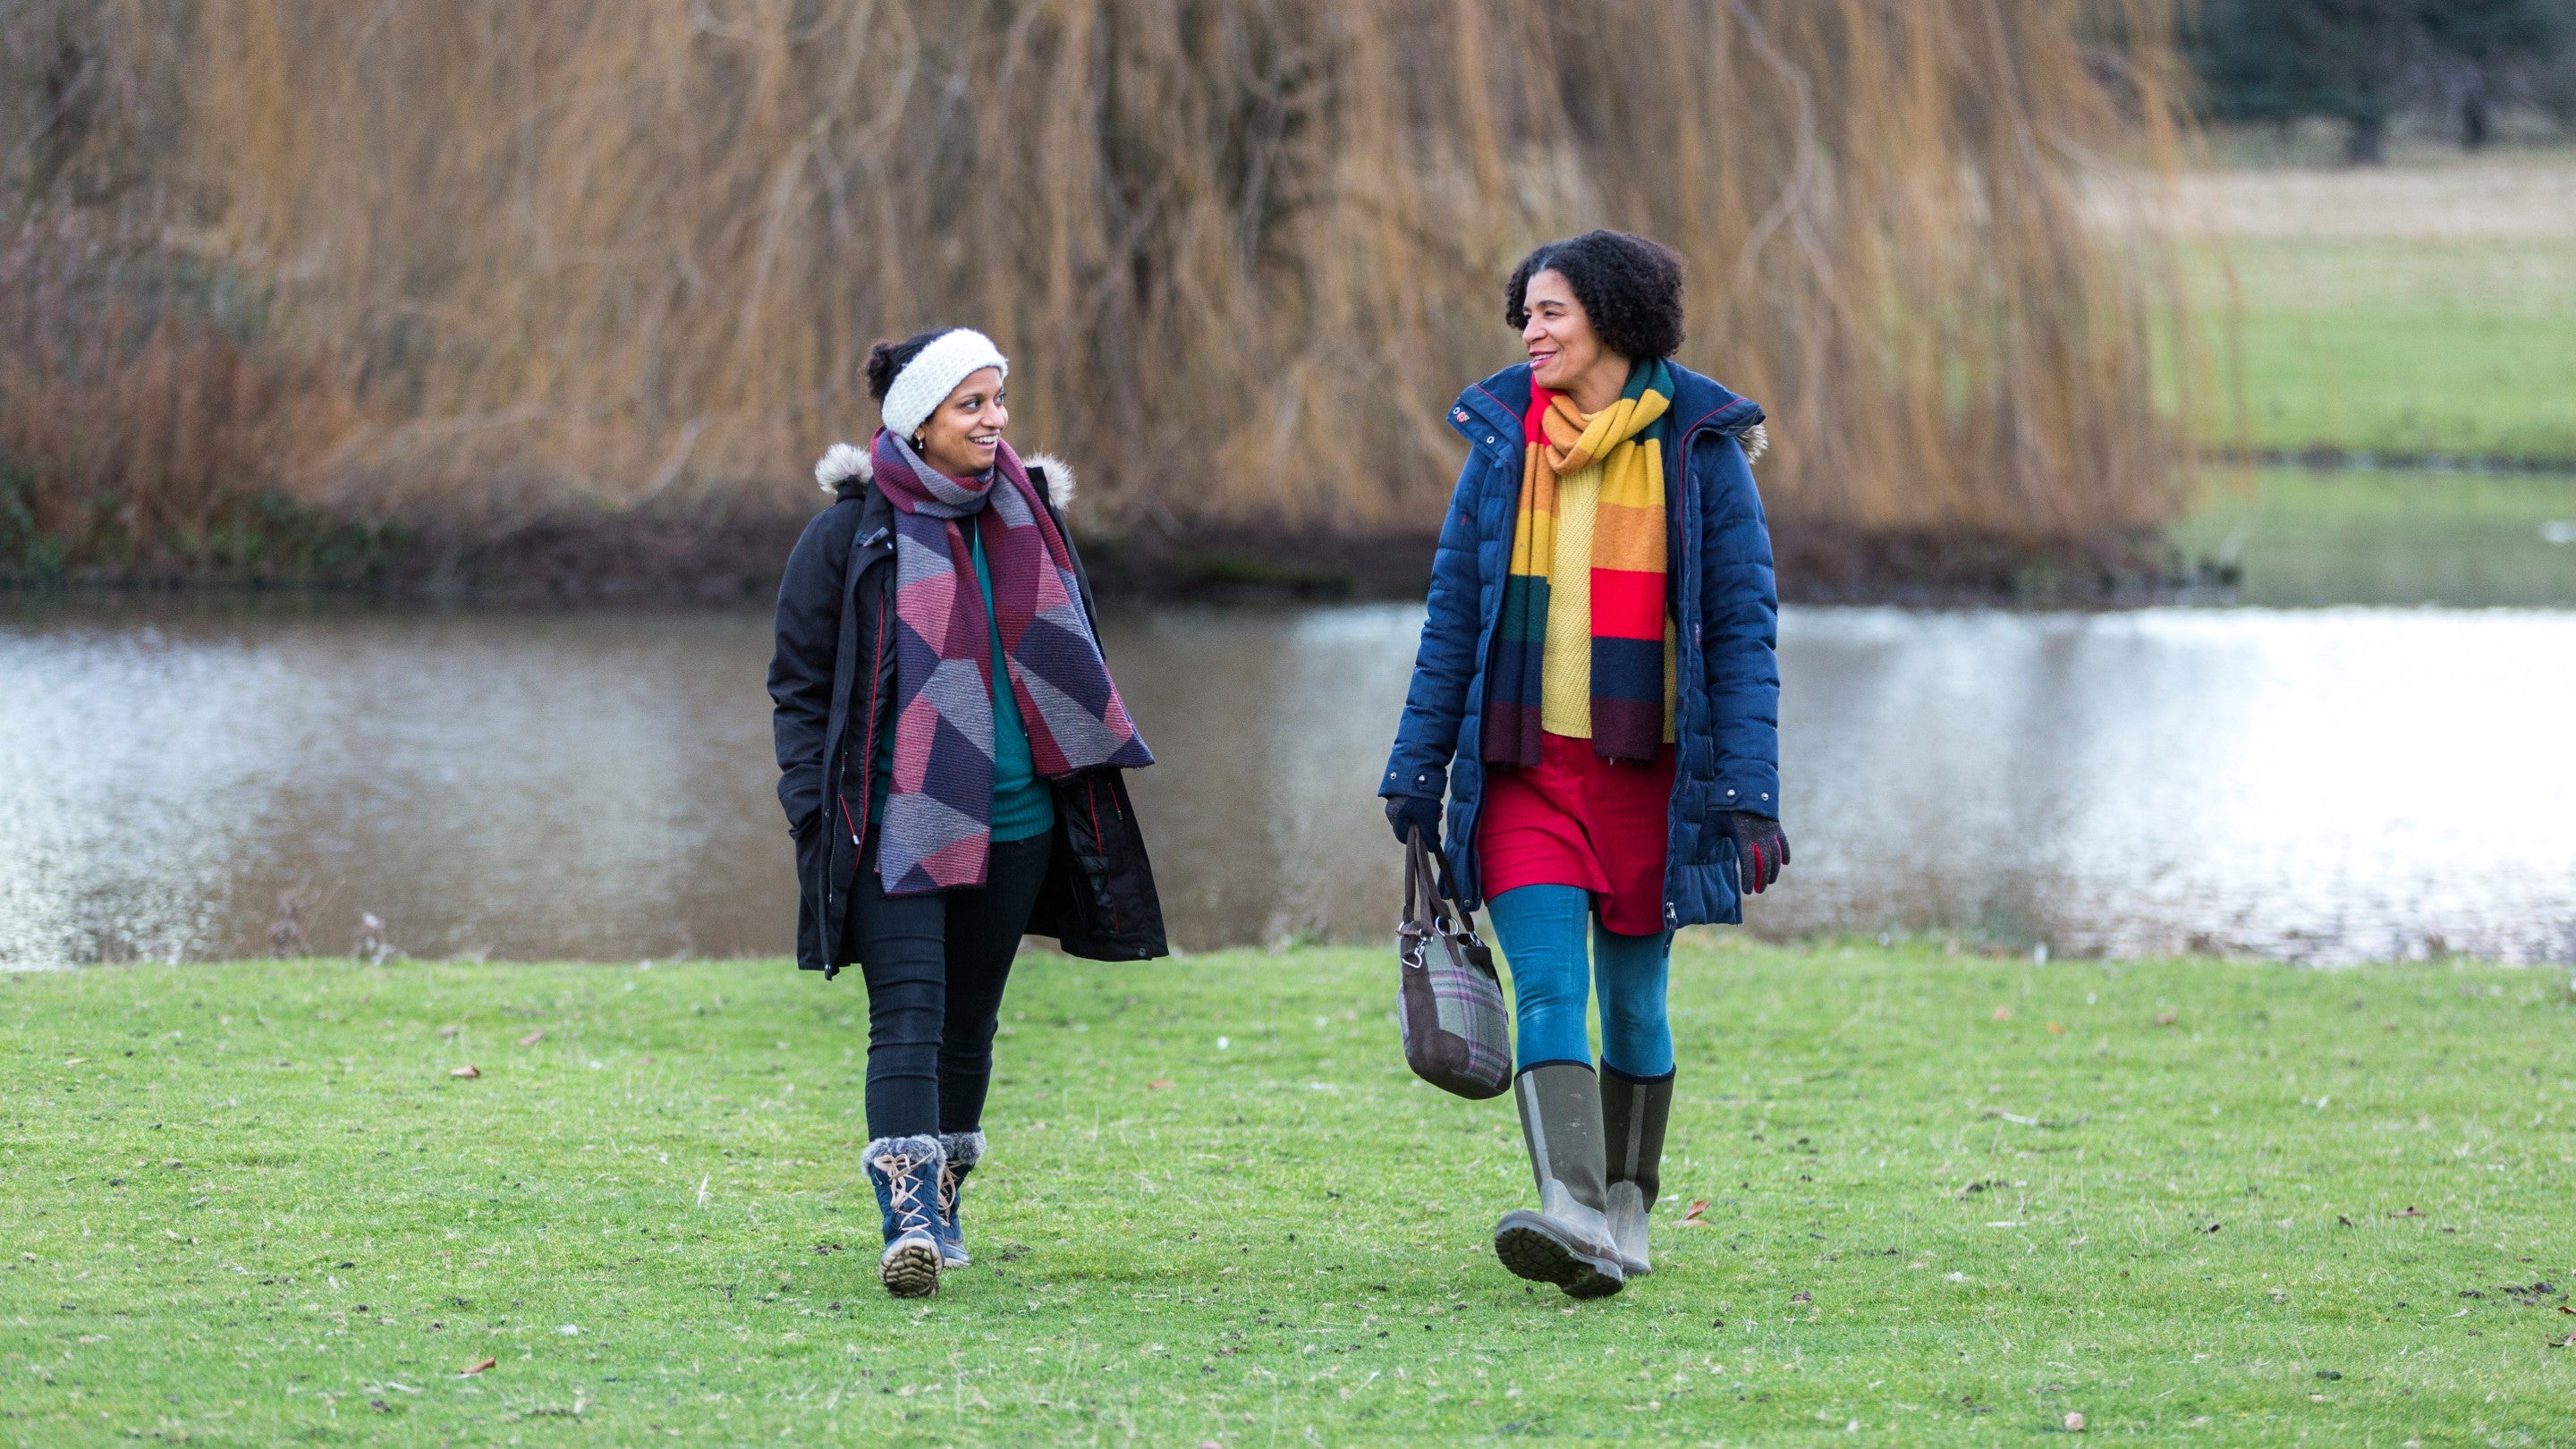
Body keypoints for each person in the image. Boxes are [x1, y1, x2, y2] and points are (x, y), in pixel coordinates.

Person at [1379, 231, 1787, 1300]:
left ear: (1611, 315)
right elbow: (1454, 618)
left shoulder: (1702, 451)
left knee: (1637, 1006)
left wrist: (1749, 791)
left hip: (1651, 785)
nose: (1532, 331)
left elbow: (1740, 632)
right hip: (1524, 773)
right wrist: (1417, 768)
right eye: (1525, 313)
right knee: (1551, 987)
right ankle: (1568, 1207)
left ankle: (1624, 1204)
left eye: (1551, 311)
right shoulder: (1502, 446)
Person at [769, 326, 1166, 1298]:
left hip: (1021, 821)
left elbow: (1073, 663)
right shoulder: (849, 536)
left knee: (969, 1025)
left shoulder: (1031, 518)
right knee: (906, 1015)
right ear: (919, 419)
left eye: (999, 400)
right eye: (972, 404)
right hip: (892, 825)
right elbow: (799, 688)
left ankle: (943, 1202)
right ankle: (906, 1219)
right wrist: (814, 817)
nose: (994, 420)